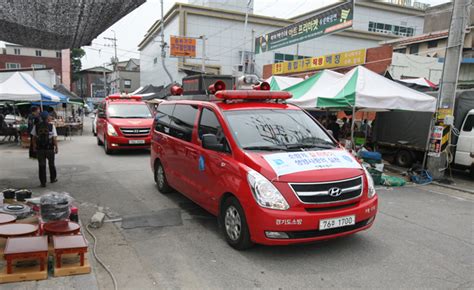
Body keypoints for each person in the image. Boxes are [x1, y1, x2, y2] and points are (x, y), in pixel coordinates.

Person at [31, 111, 58, 187]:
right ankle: (53, 178)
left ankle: (43, 182)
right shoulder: (51, 126)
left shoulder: (36, 126)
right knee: (51, 164)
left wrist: (34, 146)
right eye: (49, 116)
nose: (50, 117)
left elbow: (33, 138)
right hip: (49, 148)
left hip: (40, 149)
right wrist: (56, 147)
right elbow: (54, 138)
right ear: (47, 118)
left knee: (41, 165)